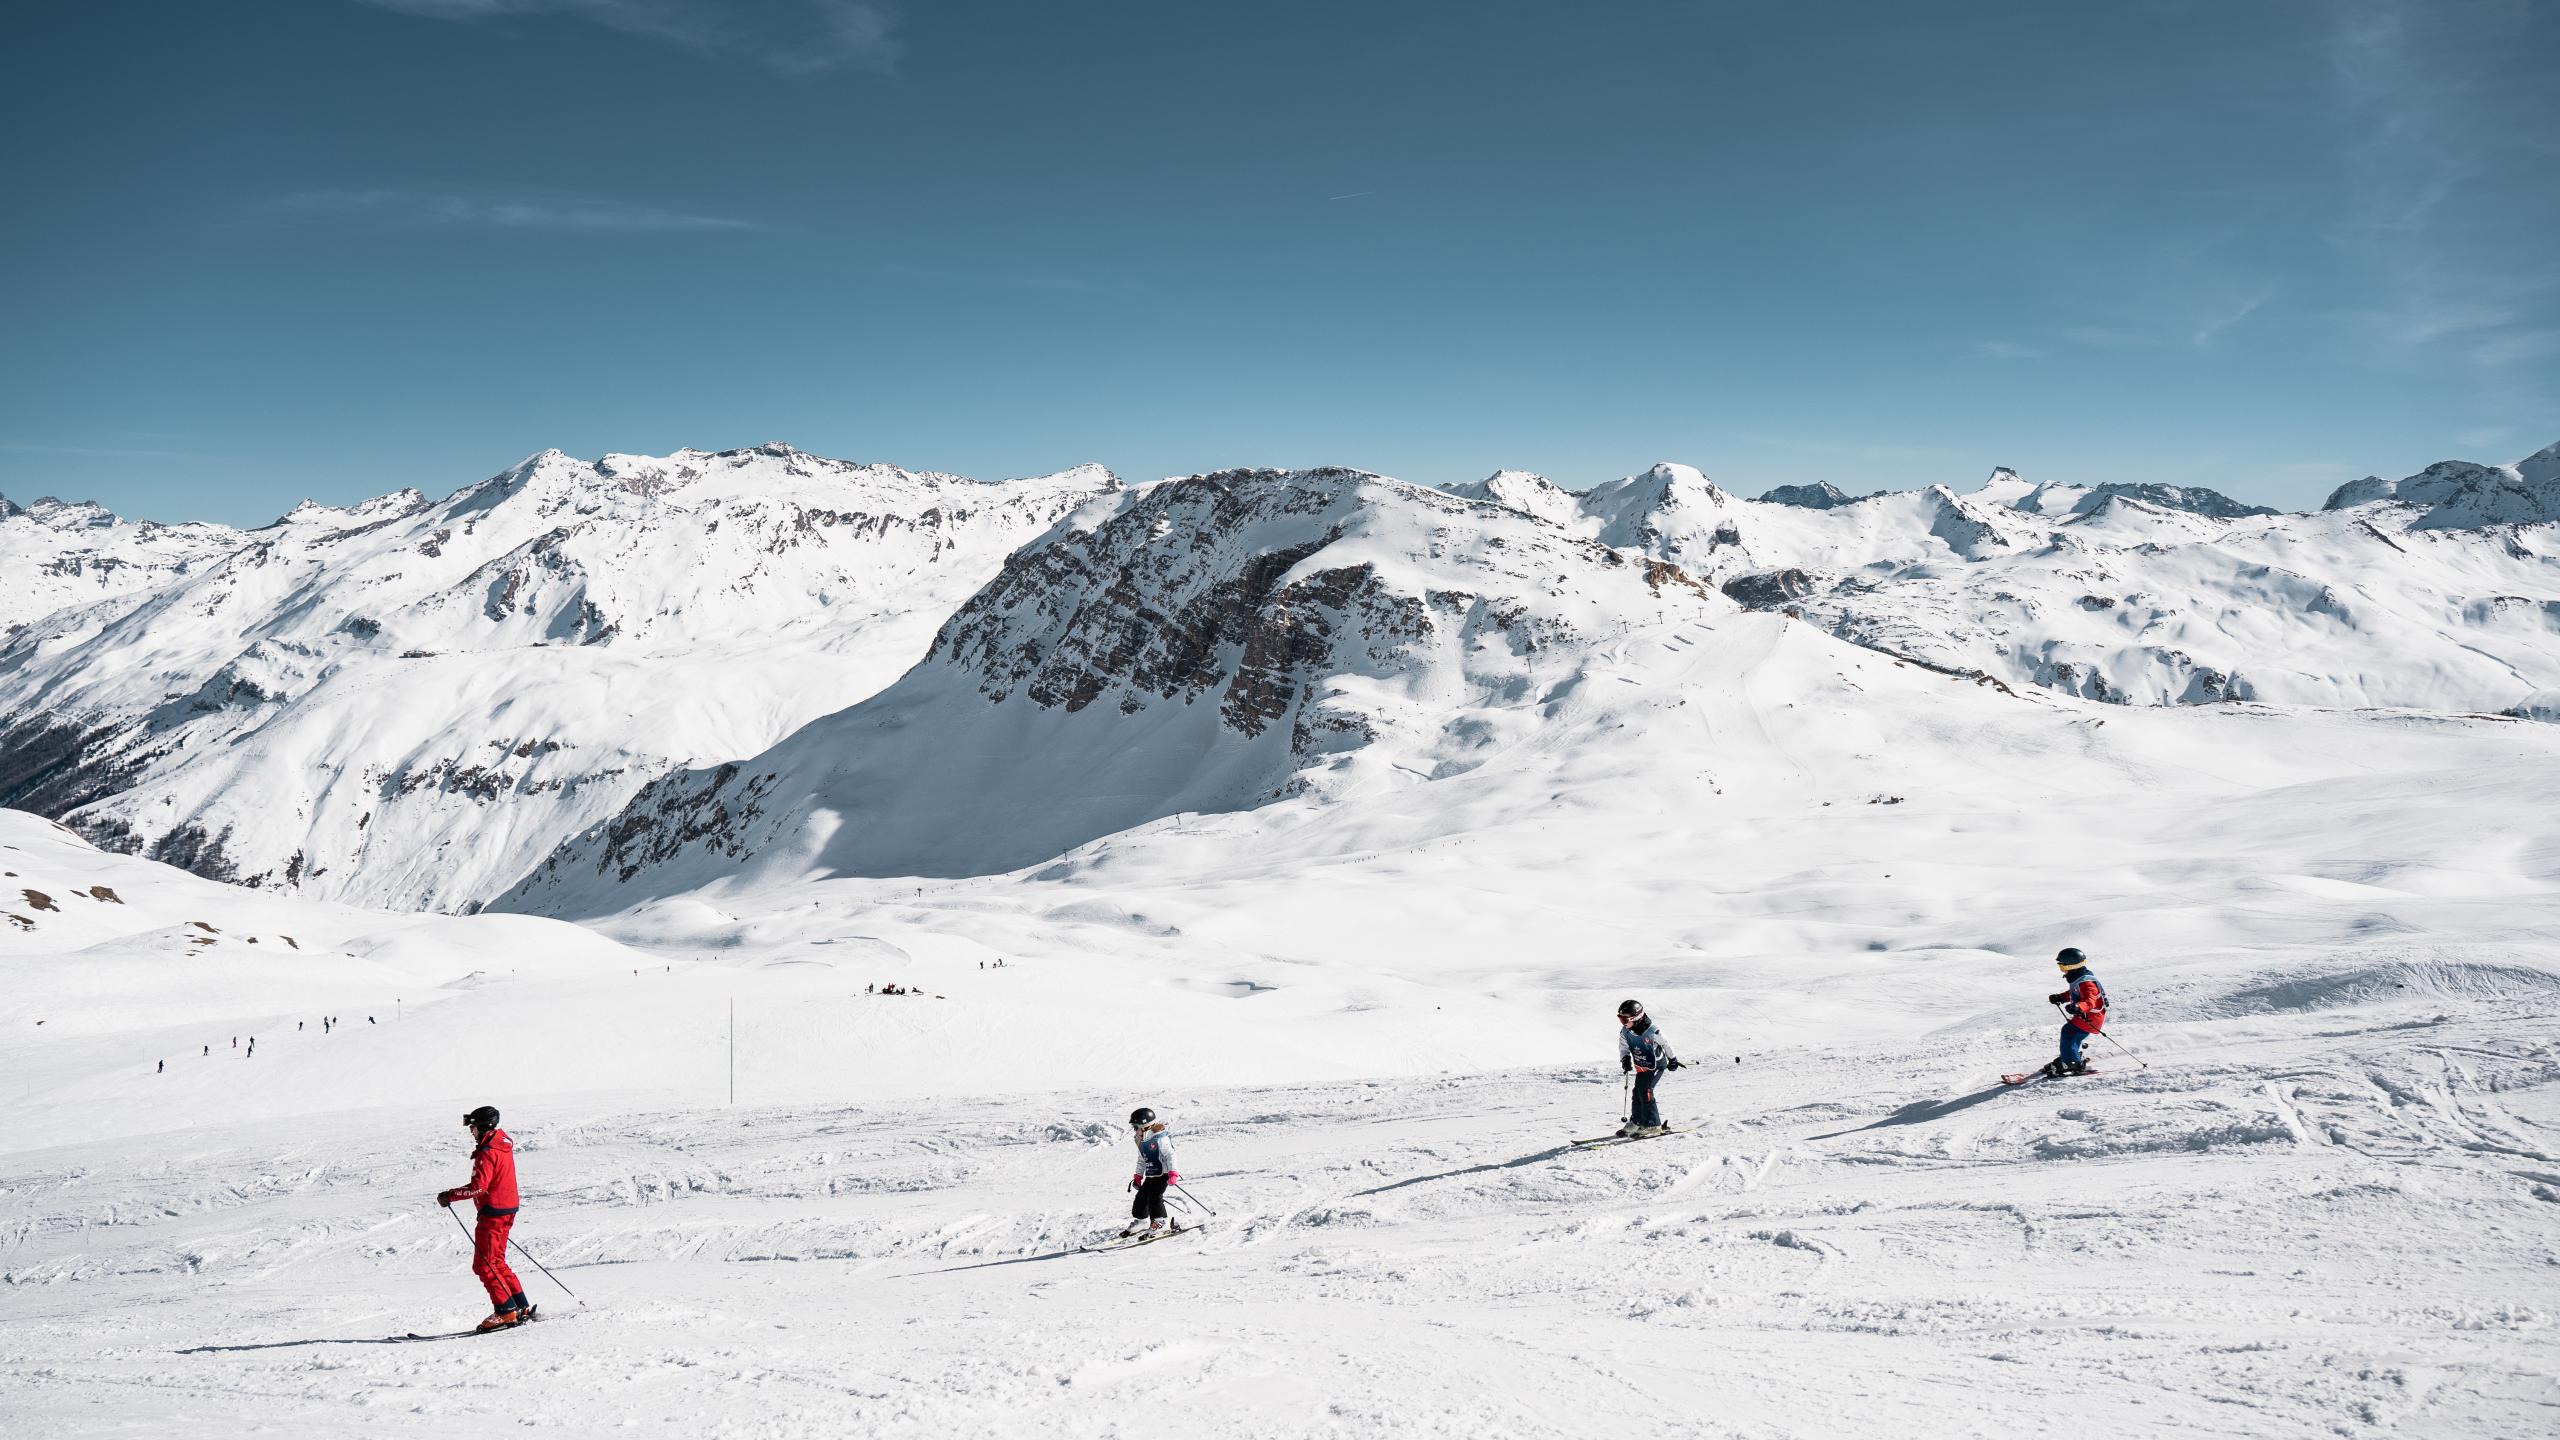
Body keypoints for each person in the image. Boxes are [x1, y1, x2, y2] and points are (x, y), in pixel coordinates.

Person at [437, 1105, 534, 1331]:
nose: (471, 1131)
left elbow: (478, 1187)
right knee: (497, 1261)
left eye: (472, 1127)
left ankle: (505, 1311)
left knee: (483, 1265)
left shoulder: (488, 1151)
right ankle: (520, 1305)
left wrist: (449, 1195)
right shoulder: (501, 1145)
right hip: (506, 1208)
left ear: (482, 1126)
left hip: (493, 1212)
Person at [1616, 999, 1683, 1137]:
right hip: (1642, 1067)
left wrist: (1673, 1059)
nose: (1622, 1023)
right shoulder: (1625, 1032)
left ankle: (1653, 1124)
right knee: (1637, 1093)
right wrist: (1625, 1058)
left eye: (1624, 1020)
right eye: (1620, 1019)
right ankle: (1637, 1122)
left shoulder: (1652, 1030)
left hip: (1656, 1065)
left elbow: (1666, 1044)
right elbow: (1623, 1046)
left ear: (1636, 1018)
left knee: (1646, 1091)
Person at [2040, 948, 2109, 1079]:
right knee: (2073, 1034)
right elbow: (2074, 992)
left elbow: (2090, 1001)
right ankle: (2069, 1056)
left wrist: (2078, 1006)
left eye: (2062, 966)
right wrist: (2060, 997)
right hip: (2087, 1016)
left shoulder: (2087, 982)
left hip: (2091, 1017)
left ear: (2072, 966)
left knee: (2069, 1032)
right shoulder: (2079, 979)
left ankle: (2072, 1062)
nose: (2062, 970)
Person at [1121, 1107, 1179, 1237]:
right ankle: (1142, 1221)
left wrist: (1173, 1173)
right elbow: (1142, 1160)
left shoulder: (1160, 1138)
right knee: (1141, 1199)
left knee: (1155, 1197)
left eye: (1136, 1127)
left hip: (1163, 1175)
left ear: (1146, 1126)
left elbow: (1171, 1155)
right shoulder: (1141, 1141)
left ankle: (1160, 1222)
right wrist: (1138, 1176)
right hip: (1151, 1175)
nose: (1135, 1130)